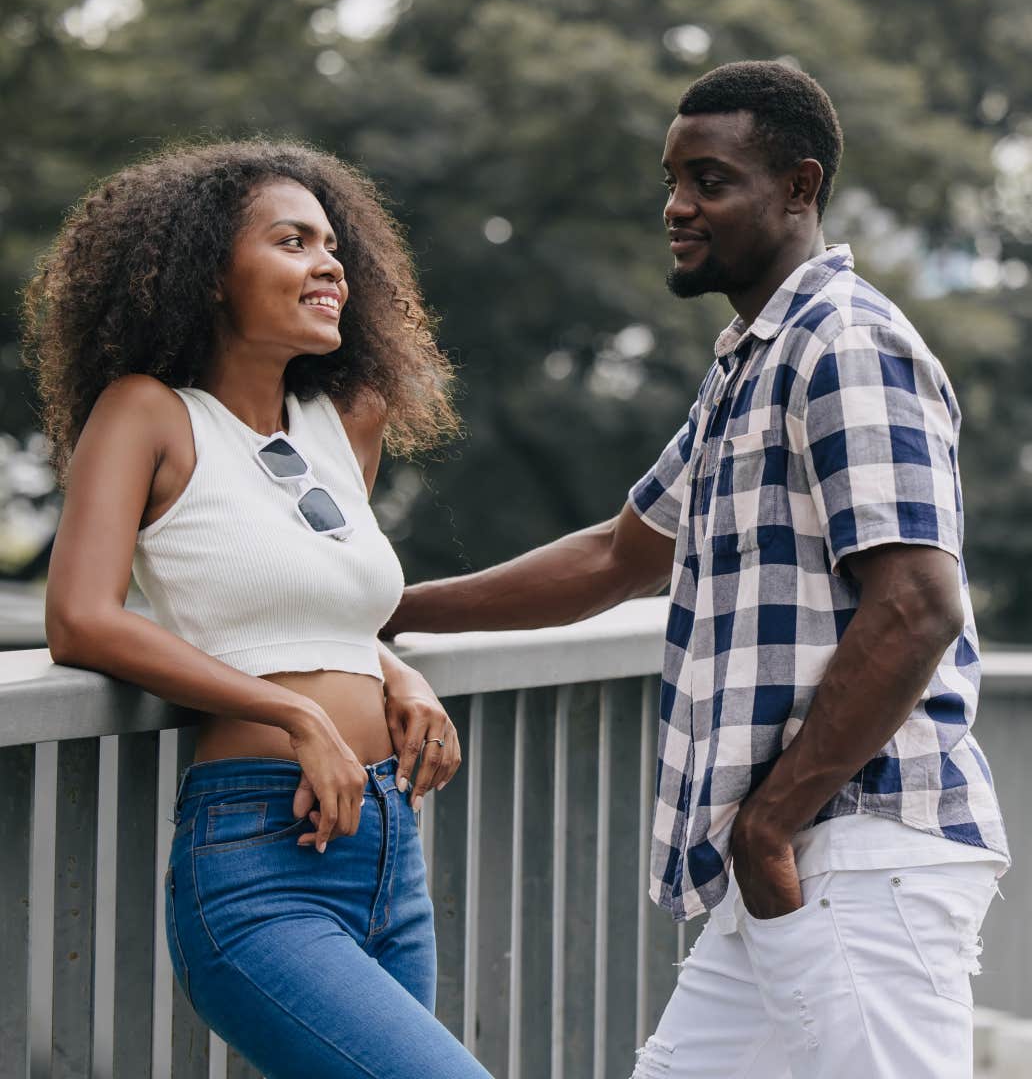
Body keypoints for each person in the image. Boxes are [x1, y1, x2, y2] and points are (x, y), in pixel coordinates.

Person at [382, 62, 1010, 1078]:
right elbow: (615, 556)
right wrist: (391, 609)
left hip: (855, 847)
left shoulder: (844, 343)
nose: (677, 207)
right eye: (671, 181)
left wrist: (771, 822)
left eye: (709, 181)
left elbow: (917, 606)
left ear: (800, 188)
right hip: (786, 859)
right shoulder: (750, 365)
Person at [26, 141, 494, 1079]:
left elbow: (328, 605)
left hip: (386, 845)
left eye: (333, 247)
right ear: (206, 274)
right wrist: (293, 709)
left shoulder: (340, 420)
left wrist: (393, 670)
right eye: (292, 241)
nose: (329, 266)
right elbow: (80, 618)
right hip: (258, 864)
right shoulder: (149, 414)